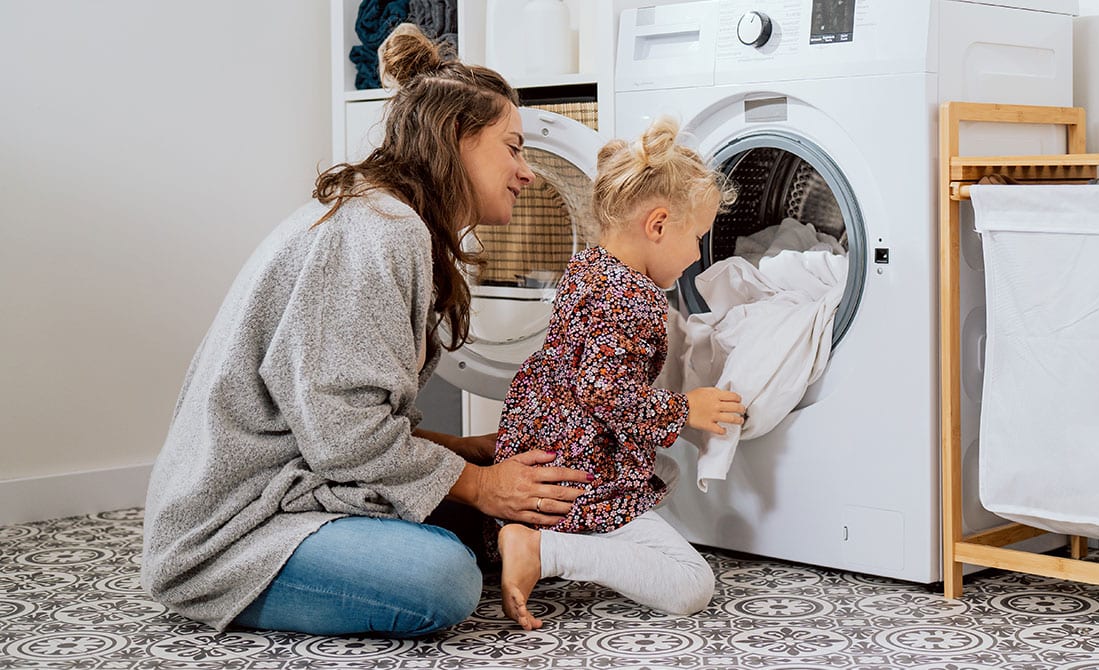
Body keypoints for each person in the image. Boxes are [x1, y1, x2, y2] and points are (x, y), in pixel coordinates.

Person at [139, 24, 592, 638]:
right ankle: (228, 586)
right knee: (444, 580)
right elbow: (344, 432)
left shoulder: (389, 218)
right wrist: (481, 485)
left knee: (512, 513)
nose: (527, 172)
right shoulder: (380, 230)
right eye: (512, 148)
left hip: (291, 483)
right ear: (457, 139)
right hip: (227, 534)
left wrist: (464, 452)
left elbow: (337, 413)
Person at [491, 117, 746, 630]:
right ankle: (543, 549)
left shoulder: (589, 268)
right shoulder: (633, 298)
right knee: (692, 585)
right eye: (696, 236)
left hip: (543, 456)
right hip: (577, 477)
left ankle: (544, 534)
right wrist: (685, 409)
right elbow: (604, 390)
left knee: (662, 473)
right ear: (657, 225)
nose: (698, 253)